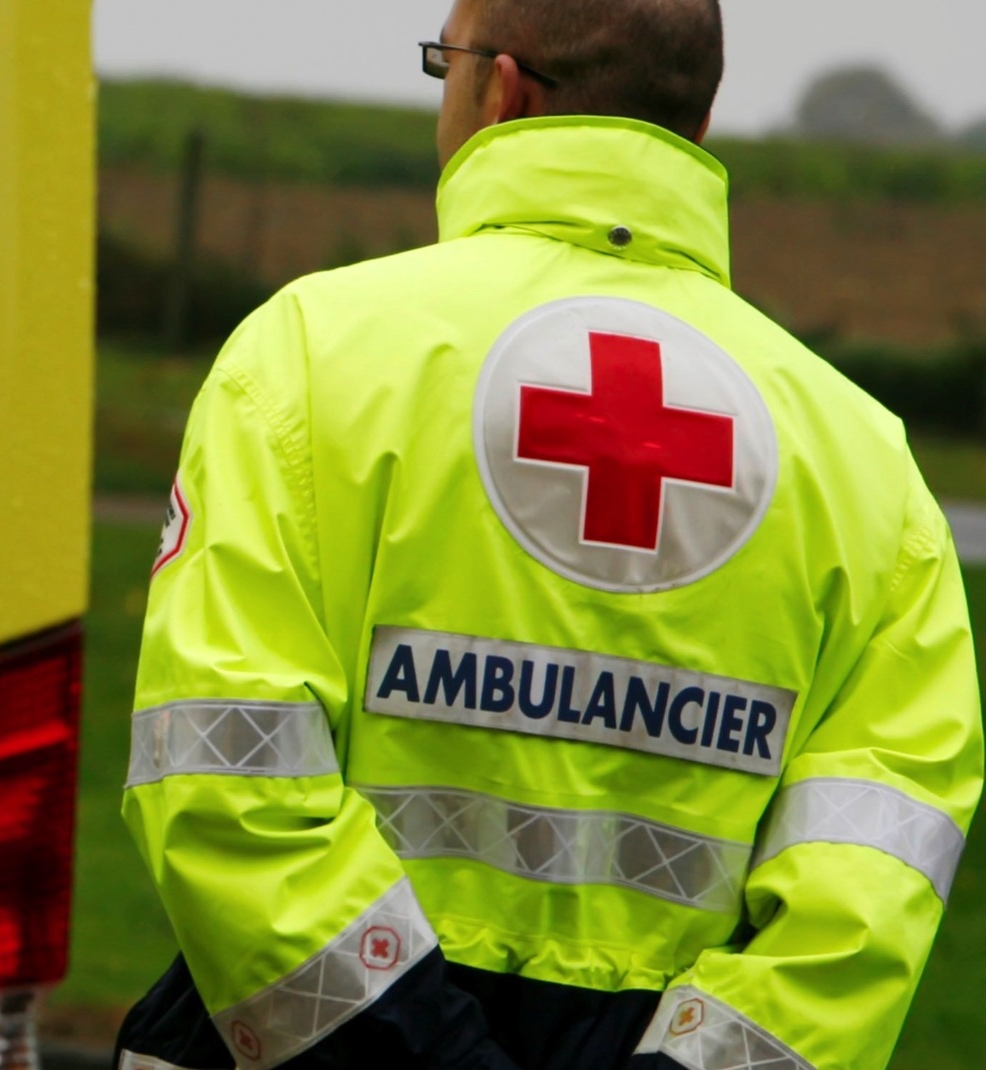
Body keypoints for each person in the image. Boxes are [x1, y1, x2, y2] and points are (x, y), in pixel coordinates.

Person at [113, 1, 984, 1068]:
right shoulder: (866, 459)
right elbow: (868, 883)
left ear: (501, 90)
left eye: (445, 62)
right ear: (692, 130)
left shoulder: (307, 357)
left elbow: (224, 775)